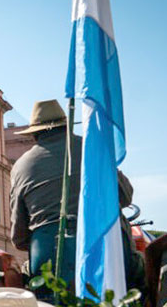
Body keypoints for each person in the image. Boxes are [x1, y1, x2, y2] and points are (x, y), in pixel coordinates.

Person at [9, 99, 136, 286]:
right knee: (140, 268)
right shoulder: (94, 148)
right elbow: (126, 196)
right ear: (66, 127)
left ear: (34, 134)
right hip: (106, 248)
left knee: (28, 277)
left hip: (47, 257)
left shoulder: (20, 166)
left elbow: (18, 237)